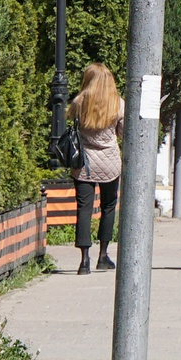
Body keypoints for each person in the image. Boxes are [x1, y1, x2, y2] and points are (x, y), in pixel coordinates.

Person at [68, 64, 125, 275]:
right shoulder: (118, 104)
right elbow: (122, 132)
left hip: (84, 163)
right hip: (109, 161)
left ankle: (84, 260)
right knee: (108, 206)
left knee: (84, 208)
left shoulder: (79, 102)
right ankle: (103, 255)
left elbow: (72, 124)